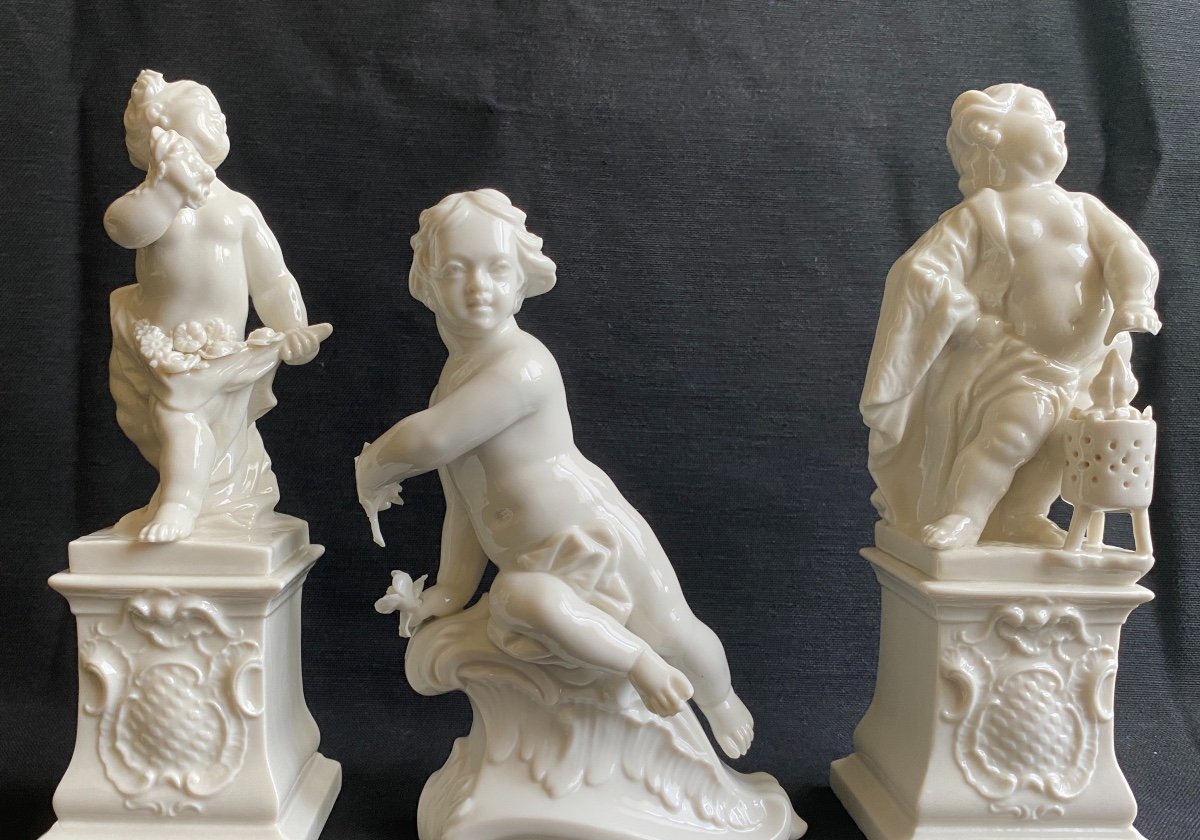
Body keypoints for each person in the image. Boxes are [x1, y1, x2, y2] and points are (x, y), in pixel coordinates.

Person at [355, 190, 754, 758]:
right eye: (456, 270)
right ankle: (634, 660)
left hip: (594, 535)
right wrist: (452, 588)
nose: (478, 286)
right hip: (531, 569)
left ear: (522, 278)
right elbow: (463, 504)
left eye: (497, 268)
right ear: (427, 284)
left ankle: (719, 698)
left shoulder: (524, 364)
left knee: (673, 630)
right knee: (516, 598)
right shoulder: (451, 383)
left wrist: (372, 466)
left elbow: (429, 441)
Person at [861, 84, 1160, 550]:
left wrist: (1134, 298)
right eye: (1042, 116)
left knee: (1060, 449)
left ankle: (1023, 515)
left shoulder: (1083, 208)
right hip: (1024, 365)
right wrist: (967, 317)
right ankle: (966, 514)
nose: (1059, 126)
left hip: (1086, 368)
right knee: (1008, 438)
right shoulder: (982, 214)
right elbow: (921, 271)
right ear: (992, 137)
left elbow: (1127, 252)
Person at [105, 70, 328, 543]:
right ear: (163, 128)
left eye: (220, 112)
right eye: (206, 110)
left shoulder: (238, 209)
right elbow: (125, 228)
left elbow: (272, 280)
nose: (220, 117)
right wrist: (166, 188)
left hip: (223, 349)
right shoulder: (151, 204)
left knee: (224, 432)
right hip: (167, 348)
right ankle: (180, 502)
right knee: (178, 421)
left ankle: (202, 498)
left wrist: (294, 327)